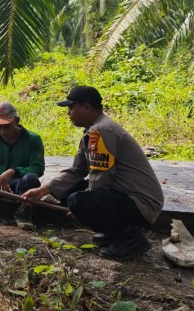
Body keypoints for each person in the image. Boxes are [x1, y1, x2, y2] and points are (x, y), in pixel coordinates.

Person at [23, 86, 164, 260]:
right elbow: (77, 170)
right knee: (72, 191)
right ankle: (113, 232)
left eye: (71, 107)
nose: (69, 113)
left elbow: (101, 175)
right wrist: (44, 190)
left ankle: (131, 239)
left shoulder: (102, 131)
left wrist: (85, 207)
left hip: (142, 204)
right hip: (128, 198)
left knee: (78, 200)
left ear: (87, 107)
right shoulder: (93, 130)